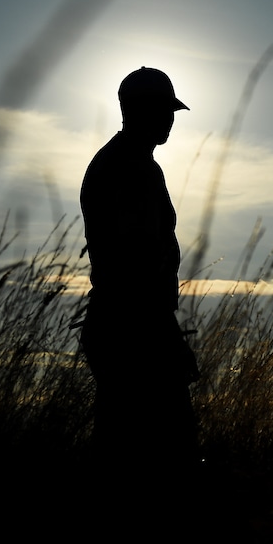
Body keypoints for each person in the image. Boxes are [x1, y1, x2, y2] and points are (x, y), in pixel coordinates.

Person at [79, 67, 200, 488]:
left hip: (121, 323)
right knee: (164, 459)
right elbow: (136, 265)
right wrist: (166, 333)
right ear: (137, 110)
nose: (170, 121)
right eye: (163, 111)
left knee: (125, 454)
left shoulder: (122, 162)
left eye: (171, 112)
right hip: (134, 326)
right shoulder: (133, 169)